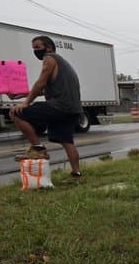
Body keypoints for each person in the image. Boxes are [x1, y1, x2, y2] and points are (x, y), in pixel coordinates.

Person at [9, 36, 83, 178]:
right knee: (67, 141)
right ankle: (77, 174)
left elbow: (41, 83)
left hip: (59, 107)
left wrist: (26, 103)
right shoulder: (62, 64)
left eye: (37, 47)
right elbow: (45, 90)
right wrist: (20, 95)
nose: (35, 51)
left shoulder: (49, 58)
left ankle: (38, 149)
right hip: (72, 109)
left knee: (16, 113)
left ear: (48, 47)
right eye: (33, 48)